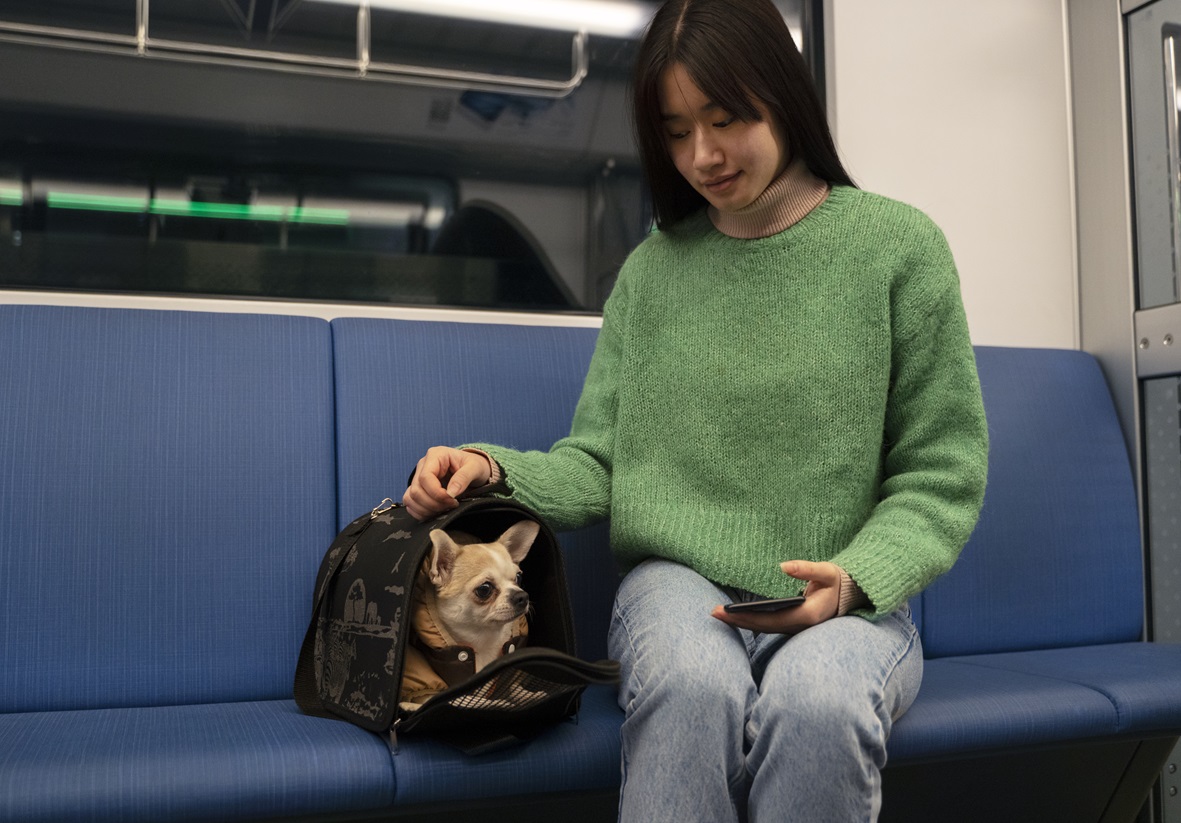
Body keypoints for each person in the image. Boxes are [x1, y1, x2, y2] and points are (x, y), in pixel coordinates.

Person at [403, 0, 989, 819]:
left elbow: (941, 473)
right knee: (689, 686)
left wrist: (855, 581)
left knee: (817, 703)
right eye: (676, 131)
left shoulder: (899, 251)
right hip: (676, 585)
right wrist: (491, 468)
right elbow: (598, 461)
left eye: (725, 119)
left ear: (783, 99)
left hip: (847, 590)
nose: (702, 155)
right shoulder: (652, 272)